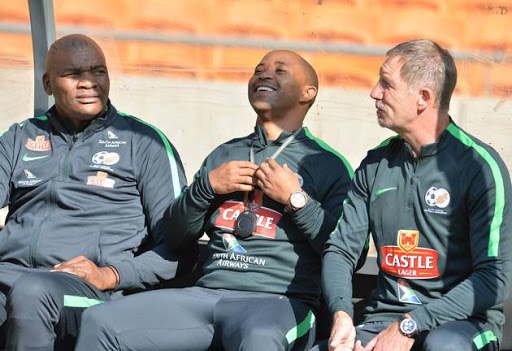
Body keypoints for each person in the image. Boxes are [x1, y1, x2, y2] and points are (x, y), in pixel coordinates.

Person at [75, 49, 353, 351]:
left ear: (307, 93)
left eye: (280, 71)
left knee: (259, 339)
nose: (264, 74)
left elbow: (344, 250)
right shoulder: (224, 154)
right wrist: (206, 187)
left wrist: (295, 199)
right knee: (101, 322)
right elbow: (176, 237)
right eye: (259, 69)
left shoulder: (327, 163)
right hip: (206, 295)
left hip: (279, 302)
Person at [318, 39, 512, 351]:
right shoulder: (375, 163)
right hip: (381, 321)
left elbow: (494, 280)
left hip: (460, 325)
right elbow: (340, 250)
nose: (374, 92)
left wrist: (410, 325)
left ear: (423, 97)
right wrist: (342, 313)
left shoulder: (479, 166)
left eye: (386, 83)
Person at [0, 34, 191, 349]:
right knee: (27, 288)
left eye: (98, 71)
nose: (88, 83)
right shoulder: (21, 137)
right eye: (73, 74)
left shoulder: (144, 142)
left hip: (91, 293)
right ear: (48, 84)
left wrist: (110, 274)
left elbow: (177, 249)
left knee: (33, 291)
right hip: (11, 276)